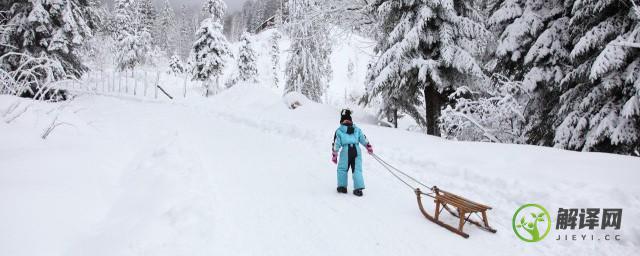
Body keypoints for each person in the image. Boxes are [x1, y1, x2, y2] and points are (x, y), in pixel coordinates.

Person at [331, 109, 373, 197]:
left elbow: (336, 143)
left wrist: (335, 154)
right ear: (351, 120)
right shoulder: (357, 129)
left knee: (342, 168)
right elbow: (363, 138)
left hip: (346, 151)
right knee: (357, 169)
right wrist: (368, 146)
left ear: (341, 121)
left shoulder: (339, 131)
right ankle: (358, 189)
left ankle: (342, 187)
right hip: (356, 150)